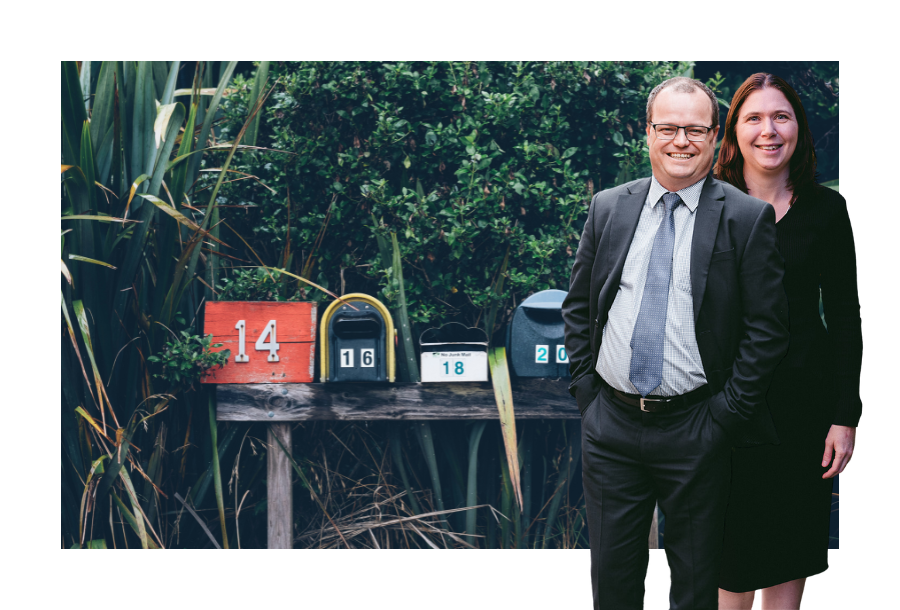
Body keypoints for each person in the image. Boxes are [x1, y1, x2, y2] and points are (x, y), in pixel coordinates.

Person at [561, 76, 789, 610]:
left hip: (697, 430)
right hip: (611, 426)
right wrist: (587, 395)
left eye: (695, 130)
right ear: (648, 133)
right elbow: (578, 306)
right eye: (668, 128)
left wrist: (724, 418)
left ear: (715, 138)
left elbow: (768, 331)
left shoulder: (745, 217)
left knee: (694, 587)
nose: (681, 141)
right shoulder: (609, 208)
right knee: (613, 585)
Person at [715, 73, 862, 610]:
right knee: (728, 564)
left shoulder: (826, 210)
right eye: (754, 117)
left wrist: (845, 415)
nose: (768, 130)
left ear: (798, 126)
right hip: (727, 407)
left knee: (789, 552)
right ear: (734, 131)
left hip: (805, 408)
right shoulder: (711, 206)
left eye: (781, 116)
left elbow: (845, 315)